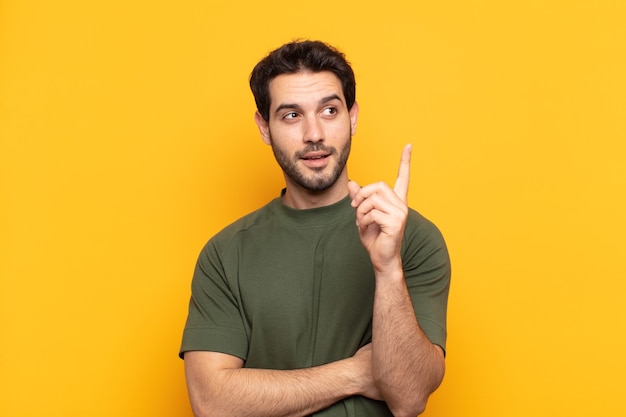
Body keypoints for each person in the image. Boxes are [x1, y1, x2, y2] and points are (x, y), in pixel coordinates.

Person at [179, 40, 451, 417]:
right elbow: (212, 403)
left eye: (329, 110)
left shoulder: (414, 237)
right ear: (264, 127)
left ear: (352, 116)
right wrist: (356, 372)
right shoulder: (226, 253)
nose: (314, 134)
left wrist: (388, 269)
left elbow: (408, 397)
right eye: (291, 115)